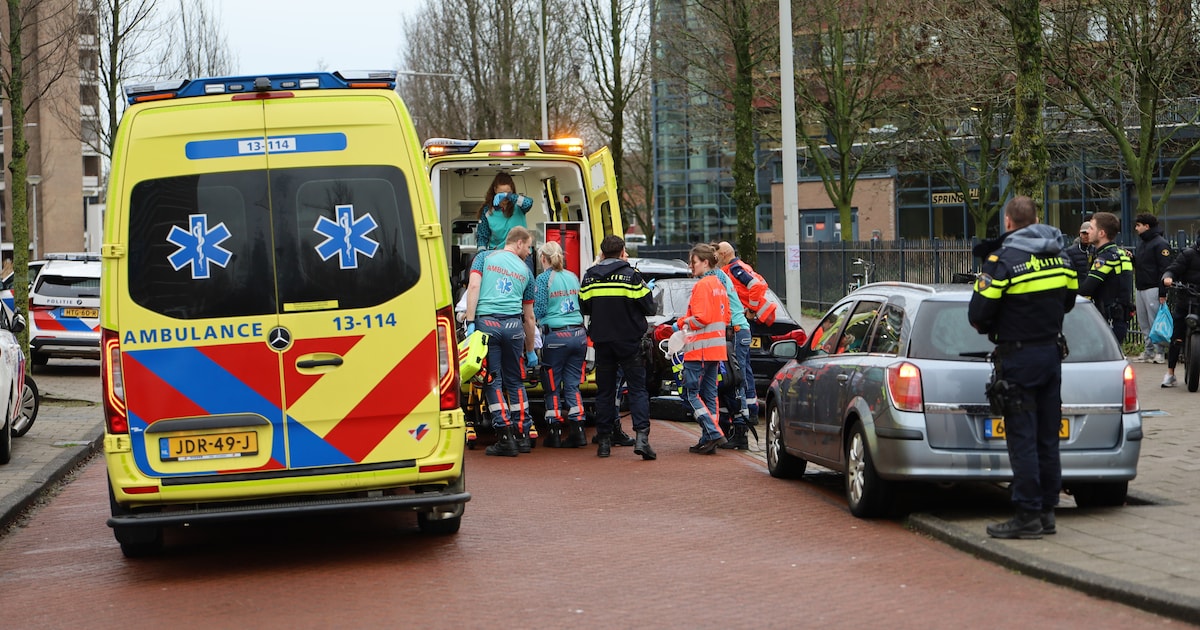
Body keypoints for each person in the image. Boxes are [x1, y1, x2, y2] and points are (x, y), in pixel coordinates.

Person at [968, 195, 1077, 539]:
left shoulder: (1004, 259)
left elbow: (978, 314)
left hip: (1018, 358)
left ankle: (1027, 514)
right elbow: (1070, 300)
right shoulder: (1061, 256)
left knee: (1022, 438)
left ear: (1009, 222)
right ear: (1036, 219)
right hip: (1051, 355)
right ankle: (1047, 512)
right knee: (1048, 437)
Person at [580, 235, 657, 460]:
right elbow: (649, 307)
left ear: (602, 253)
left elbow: (584, 306)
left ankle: (604, 442)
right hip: (629, 342)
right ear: (623, 251)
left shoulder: (589, 278)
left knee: (604, 391)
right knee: (637, 389)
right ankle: (642, 439)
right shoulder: (631, 277)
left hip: (603, 342)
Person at [464, 226, 538, 457]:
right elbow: (529, 316)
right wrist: (531, 348)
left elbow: (473, 286)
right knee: (515, 381)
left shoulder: (483, 258)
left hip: (488, 326)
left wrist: (470, 321)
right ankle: (523, 434)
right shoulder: (527, 272)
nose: (528, 252)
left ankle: (505, 436)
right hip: (514, 327)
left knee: (492, 380)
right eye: (527, 246)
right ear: (518, 243)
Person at [676, 243, 731, 454]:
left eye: (694, 262)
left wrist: (680, 323)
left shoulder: (702, 285)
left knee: (691, 394)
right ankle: (708, 439)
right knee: (710, 395)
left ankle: (714, 433)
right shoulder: (719, 284)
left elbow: (701, 318)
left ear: (705, 262)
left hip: (698, 349)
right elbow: (724, 317)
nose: (691, 266)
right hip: (715, 349)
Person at [715, 241, 775, 430]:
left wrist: (751, 309)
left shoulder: (734, 269)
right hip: (744, 323)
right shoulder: (741, 267)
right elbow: (761, 283)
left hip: (742, 323)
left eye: (717, 255)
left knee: (739, 369)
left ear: (724, 254)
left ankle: (746, 414)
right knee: (744, 367)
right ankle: (751, 408)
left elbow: (756, 286)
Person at [533, 241, 587, 448]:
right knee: (573, 384)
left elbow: (538, 310)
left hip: (555, 338)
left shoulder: (544, 279)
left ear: (543, 259)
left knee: (552, 386)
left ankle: (554, 431)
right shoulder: (573, 277)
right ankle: (578, 430)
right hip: (578, 334)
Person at [710, 242, 753, 450]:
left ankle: (740, 431)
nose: (692, 267)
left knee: (734, 381)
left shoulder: (716, 277)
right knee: (727, 381)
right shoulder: (716, 276)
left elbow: (720, 307)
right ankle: (730, 428)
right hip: (733, 330)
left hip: (734, 331)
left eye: (695, 262)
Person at [1078, 211, 1134, 344]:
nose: (1088, 231)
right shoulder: (1121, 254)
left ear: (1101, 233)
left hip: (1110, 318)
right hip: (1119, 317)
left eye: (1091, 228)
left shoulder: (1106, 258)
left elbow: (1086, 289)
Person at [1159, 241, 1200, 387]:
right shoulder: (1188, 254)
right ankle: (1170, 374)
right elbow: (1172, 270)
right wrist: (1168, 277)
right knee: (1177, 337)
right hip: (1187, 300)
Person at [1132, 213, 1172, 364]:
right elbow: (1144, 264)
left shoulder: (1160, 244)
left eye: (1138, 225)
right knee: (1144, 322)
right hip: (1141, 286)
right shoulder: (1143, 243)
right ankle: (1148, 350)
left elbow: (1164, 270)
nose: (1136, 229)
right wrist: (1133, 260)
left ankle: (1159, 352)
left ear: (1146, 226)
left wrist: (1162, 292)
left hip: (1153, 288)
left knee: (1155, 321)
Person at [476, 173, 534, 251]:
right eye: (501, 193)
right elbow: (482, 236)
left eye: (507, 193)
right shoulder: (487, 211)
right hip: (498, 253)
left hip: (521, 253)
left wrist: (509, 196)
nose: (503, 197)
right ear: (495, 190)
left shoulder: (518, 205)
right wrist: (482, 253)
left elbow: (528, 203)